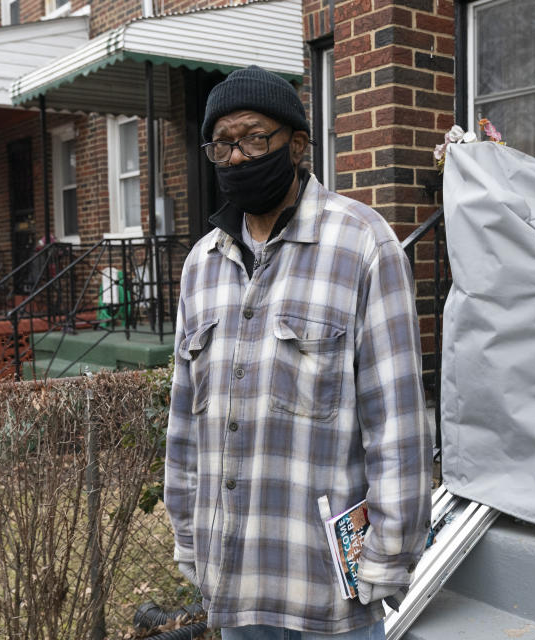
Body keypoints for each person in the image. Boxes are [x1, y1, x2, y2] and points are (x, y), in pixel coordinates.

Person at [164, 65, 431, 640]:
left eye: (254, 138)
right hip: (232, 580)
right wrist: (187, 534)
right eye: (223, 144)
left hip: (326, 593)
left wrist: (390, 552)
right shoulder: (202, 265)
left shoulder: (362, 244)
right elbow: (184, 420)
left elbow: (397, 422)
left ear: (298, 144)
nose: (237, 158)